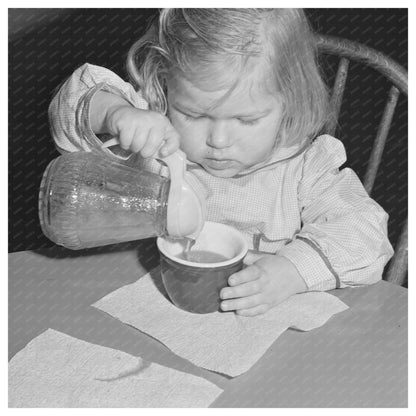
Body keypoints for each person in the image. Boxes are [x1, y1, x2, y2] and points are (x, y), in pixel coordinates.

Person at [49, 8, 393, 316]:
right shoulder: (157, 147)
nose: (219, 141)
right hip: (153, 319)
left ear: (291, 99)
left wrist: (292, 271)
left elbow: (366, 235)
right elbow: (69, 106)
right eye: (194, 115)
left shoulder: (304, 168)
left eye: (246, 120)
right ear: (164, 85)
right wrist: (114, 113)